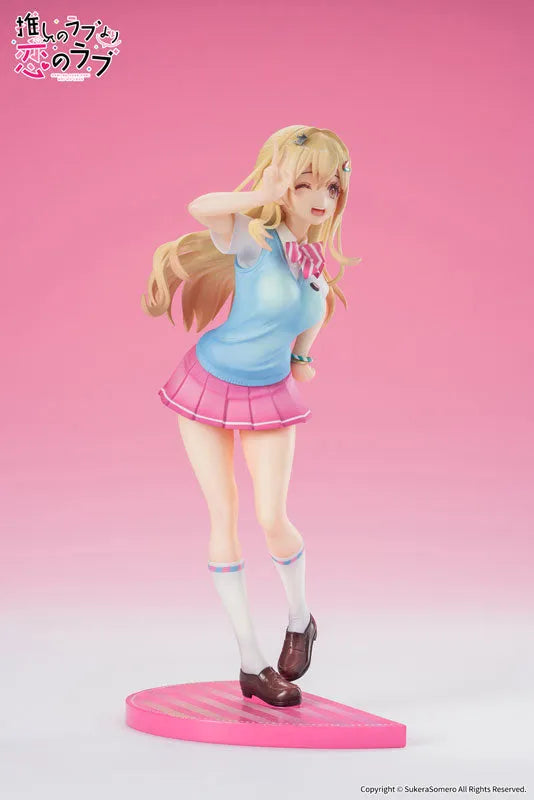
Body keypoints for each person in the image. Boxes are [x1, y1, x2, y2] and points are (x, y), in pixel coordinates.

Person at [142, 125, 359, 707]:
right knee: (224, 517)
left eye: (331, 186)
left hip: (268, 393)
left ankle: (300, 619)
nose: (319, 197)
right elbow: (201, 207)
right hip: (207, 382)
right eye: (304, 183)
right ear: (281, 183)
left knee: (271, 516)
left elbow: (317, 307)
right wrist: (263, 192)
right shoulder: (252, 240)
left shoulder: (313, 264)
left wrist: (303, 356)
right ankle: (250, 663)